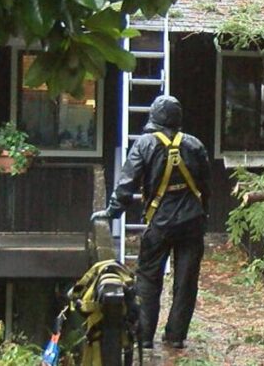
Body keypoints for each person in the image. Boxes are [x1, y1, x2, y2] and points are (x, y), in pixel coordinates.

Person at [91, 95, 211, 350]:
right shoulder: (194, 145)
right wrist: (204, 216)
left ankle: (144, 338)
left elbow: (127, 184)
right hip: (192, 222)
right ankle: (176, 336)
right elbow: (205, 187)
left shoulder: (145, 144)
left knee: (148, 278)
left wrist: (112, 212)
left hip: (160, 223)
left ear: (154, 118)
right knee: (186, 280)